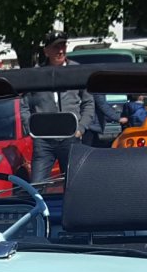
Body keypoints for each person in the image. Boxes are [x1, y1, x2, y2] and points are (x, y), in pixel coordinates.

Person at [21, 33, 95, 180]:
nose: (60, 51)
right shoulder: (36, 74)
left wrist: (80, 129)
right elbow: (24, 106)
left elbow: (88, 103)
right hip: (44, 141)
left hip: (71, 138)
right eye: (56, 47)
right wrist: (32, 129)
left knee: (74, 184)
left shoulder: (77, 71)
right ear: (46, 51)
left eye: (63, 46)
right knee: (37, 185)